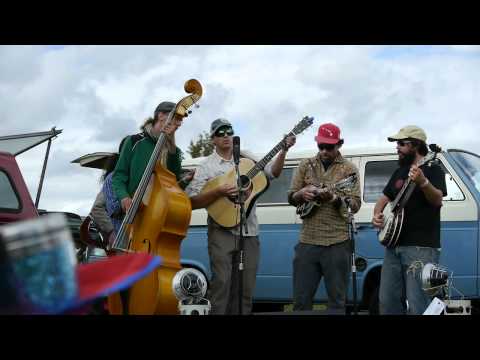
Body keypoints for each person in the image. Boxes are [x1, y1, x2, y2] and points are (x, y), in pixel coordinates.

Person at [185, 118, 296, 314]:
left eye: (229, 131)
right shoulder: (206, 167)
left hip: (249, 230)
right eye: (220, 132)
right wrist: (218, 192)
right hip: (221, 230)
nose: (226, 135)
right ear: (213, 139)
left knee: (246, 287)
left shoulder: (247, 158)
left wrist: (284, 150)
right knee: (222, 283)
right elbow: (191, 201)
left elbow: (274, 173)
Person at [372, 125, 447, 315]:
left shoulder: (433, 168)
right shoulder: (400, 172)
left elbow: (437, 200)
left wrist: (423, 182)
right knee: (387, 301)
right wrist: (377, 216)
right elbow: (383, 199)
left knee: (419, 304)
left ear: (415, 145)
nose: (397, 147)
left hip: (421, 248)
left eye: (401, 144)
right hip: (393, 247)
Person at [287, 123, 361, 312]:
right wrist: (301, 193)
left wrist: (335, 199)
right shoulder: (305, 164)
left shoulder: (350, 170)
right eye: (321, 146)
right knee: (301, 301)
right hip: (307, 242)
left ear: (339, 144)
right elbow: (291, 197)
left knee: (337, 302)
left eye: (329, 147)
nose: (324, 151)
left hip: (337, 243)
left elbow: (355, 205)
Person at [112, 101, 184, 216]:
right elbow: (119, 175)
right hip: (135, 209)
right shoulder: (134, 141)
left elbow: (175, 181)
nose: (179, 124)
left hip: (161, 211)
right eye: (177, 118)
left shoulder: (175, 151)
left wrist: (171, 144)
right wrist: (124, 197)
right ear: (160, 116)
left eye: (181, 120)